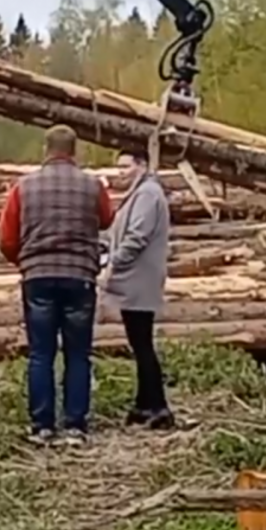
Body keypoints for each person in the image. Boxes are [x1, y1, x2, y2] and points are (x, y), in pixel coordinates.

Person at [0, 125, 114, 446]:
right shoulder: (92, 186)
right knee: (78, 354)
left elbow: (7, 238)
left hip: (38, 277)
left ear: (45, 150)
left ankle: (42, 426)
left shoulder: (23, 187)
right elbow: (107, 219)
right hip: (80, 277)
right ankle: (75, 425)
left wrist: (23, 261)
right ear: (74, 151)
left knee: (40, 353)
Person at [103, 149, 175, 429]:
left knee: (142, 344)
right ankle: (144, 403)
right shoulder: (141, 191)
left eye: (126, 166)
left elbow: (137, 236)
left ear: (142, 165)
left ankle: (157, 406)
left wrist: (114, 261)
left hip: (139, 279)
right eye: (118, 167)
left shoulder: (147, 194)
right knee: (139, 342)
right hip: (135, 279)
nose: (121, 172)